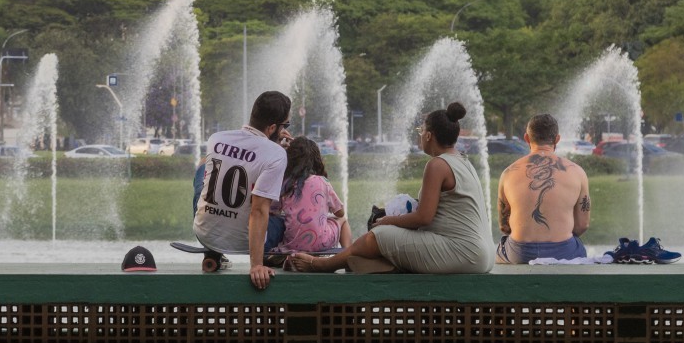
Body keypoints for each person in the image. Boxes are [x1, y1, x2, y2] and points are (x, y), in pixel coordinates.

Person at [291, 102, 495, 275]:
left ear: (429, 136)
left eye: (421, 131)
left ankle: (321, 264)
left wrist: (390, 220)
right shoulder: (463, 161)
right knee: (388, 236)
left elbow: (424, 218)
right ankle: (367, 263)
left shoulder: (437, 164)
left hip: (463, 253)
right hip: (482, 254)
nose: (420, 135)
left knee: (379, 235)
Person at [194, 91, 292, 290]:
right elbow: (258, 210)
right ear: (273, 127)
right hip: (246, 243)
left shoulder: (216, 139)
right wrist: (256, 265)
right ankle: (274, 257)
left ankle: (211, 253)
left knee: (202, 171)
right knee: (285, 220)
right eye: (285, 126)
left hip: (205, 234)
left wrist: (271, 142)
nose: (285, 130)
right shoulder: (277, 154)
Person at [494, 114, 592, 264]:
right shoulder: (577, 172)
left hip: (520, 253)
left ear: (526, 138)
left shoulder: (508, 173)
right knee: (578, 246)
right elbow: (582, 225)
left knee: (502, 247)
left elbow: (504, 226)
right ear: (557, 139)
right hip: (564, 252)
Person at [272, 137, 351, 256]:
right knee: (343, 221)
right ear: (316, 160)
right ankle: (349, 256)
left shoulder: (286, 184)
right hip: (321, 243)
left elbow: (273, 211)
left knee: (286, 222)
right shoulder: (322, 182)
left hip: (293, 244)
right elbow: (340, 213)